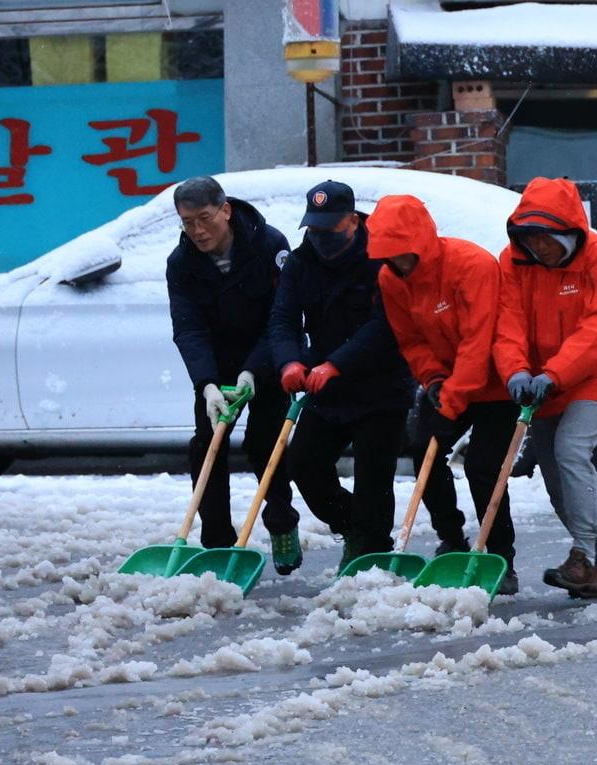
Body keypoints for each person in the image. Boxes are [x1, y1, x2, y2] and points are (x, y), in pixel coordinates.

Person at [368, 195, 521, 595]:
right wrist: (433, 381)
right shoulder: (390, 279)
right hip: (448, 381)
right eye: (389, 255)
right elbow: (411, 339)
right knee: (424, 452)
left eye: (403, 253)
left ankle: (500, 556)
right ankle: (451, 537)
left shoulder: (471, 264)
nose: (398, 262)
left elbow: (479, 340)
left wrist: (452, 401)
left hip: (494, 383)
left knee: (484, 467)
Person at [494, 177, 597, 599]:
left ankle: (582, 558)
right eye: (531, 239)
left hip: (596, 372)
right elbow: (509, 323)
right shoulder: (513, 262)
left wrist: (555, 373)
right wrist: (515, 371)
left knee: (571, 450)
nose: (540, 248)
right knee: (557, 483)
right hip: (542, 382)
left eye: (547, 238)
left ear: (569, 231)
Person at [269, 180, 414, 569]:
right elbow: (283, 319)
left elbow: (384, 325)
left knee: (373, 480)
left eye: (329, 229)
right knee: (302, 464)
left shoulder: (380, 258)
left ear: (352, 221)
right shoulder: (301, 263)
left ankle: (372, 555)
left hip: (380, 385)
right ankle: (354, 527)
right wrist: (289, 361)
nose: (320, 239)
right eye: (314, 230)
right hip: (324, 386)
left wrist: (338, 364)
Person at [166, 176, 303, 572]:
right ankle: (217, 543)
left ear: (225, 210)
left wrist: (253, 371)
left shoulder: (269, 245)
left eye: (205, 218)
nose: (197, 230)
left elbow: (282, 317)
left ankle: (280, 522)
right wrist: (207, 384)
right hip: (217, 363)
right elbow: (188, 327)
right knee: (207, 443)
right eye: (187, 222)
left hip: (267, 356)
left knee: (264, 443)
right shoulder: (182, 263)